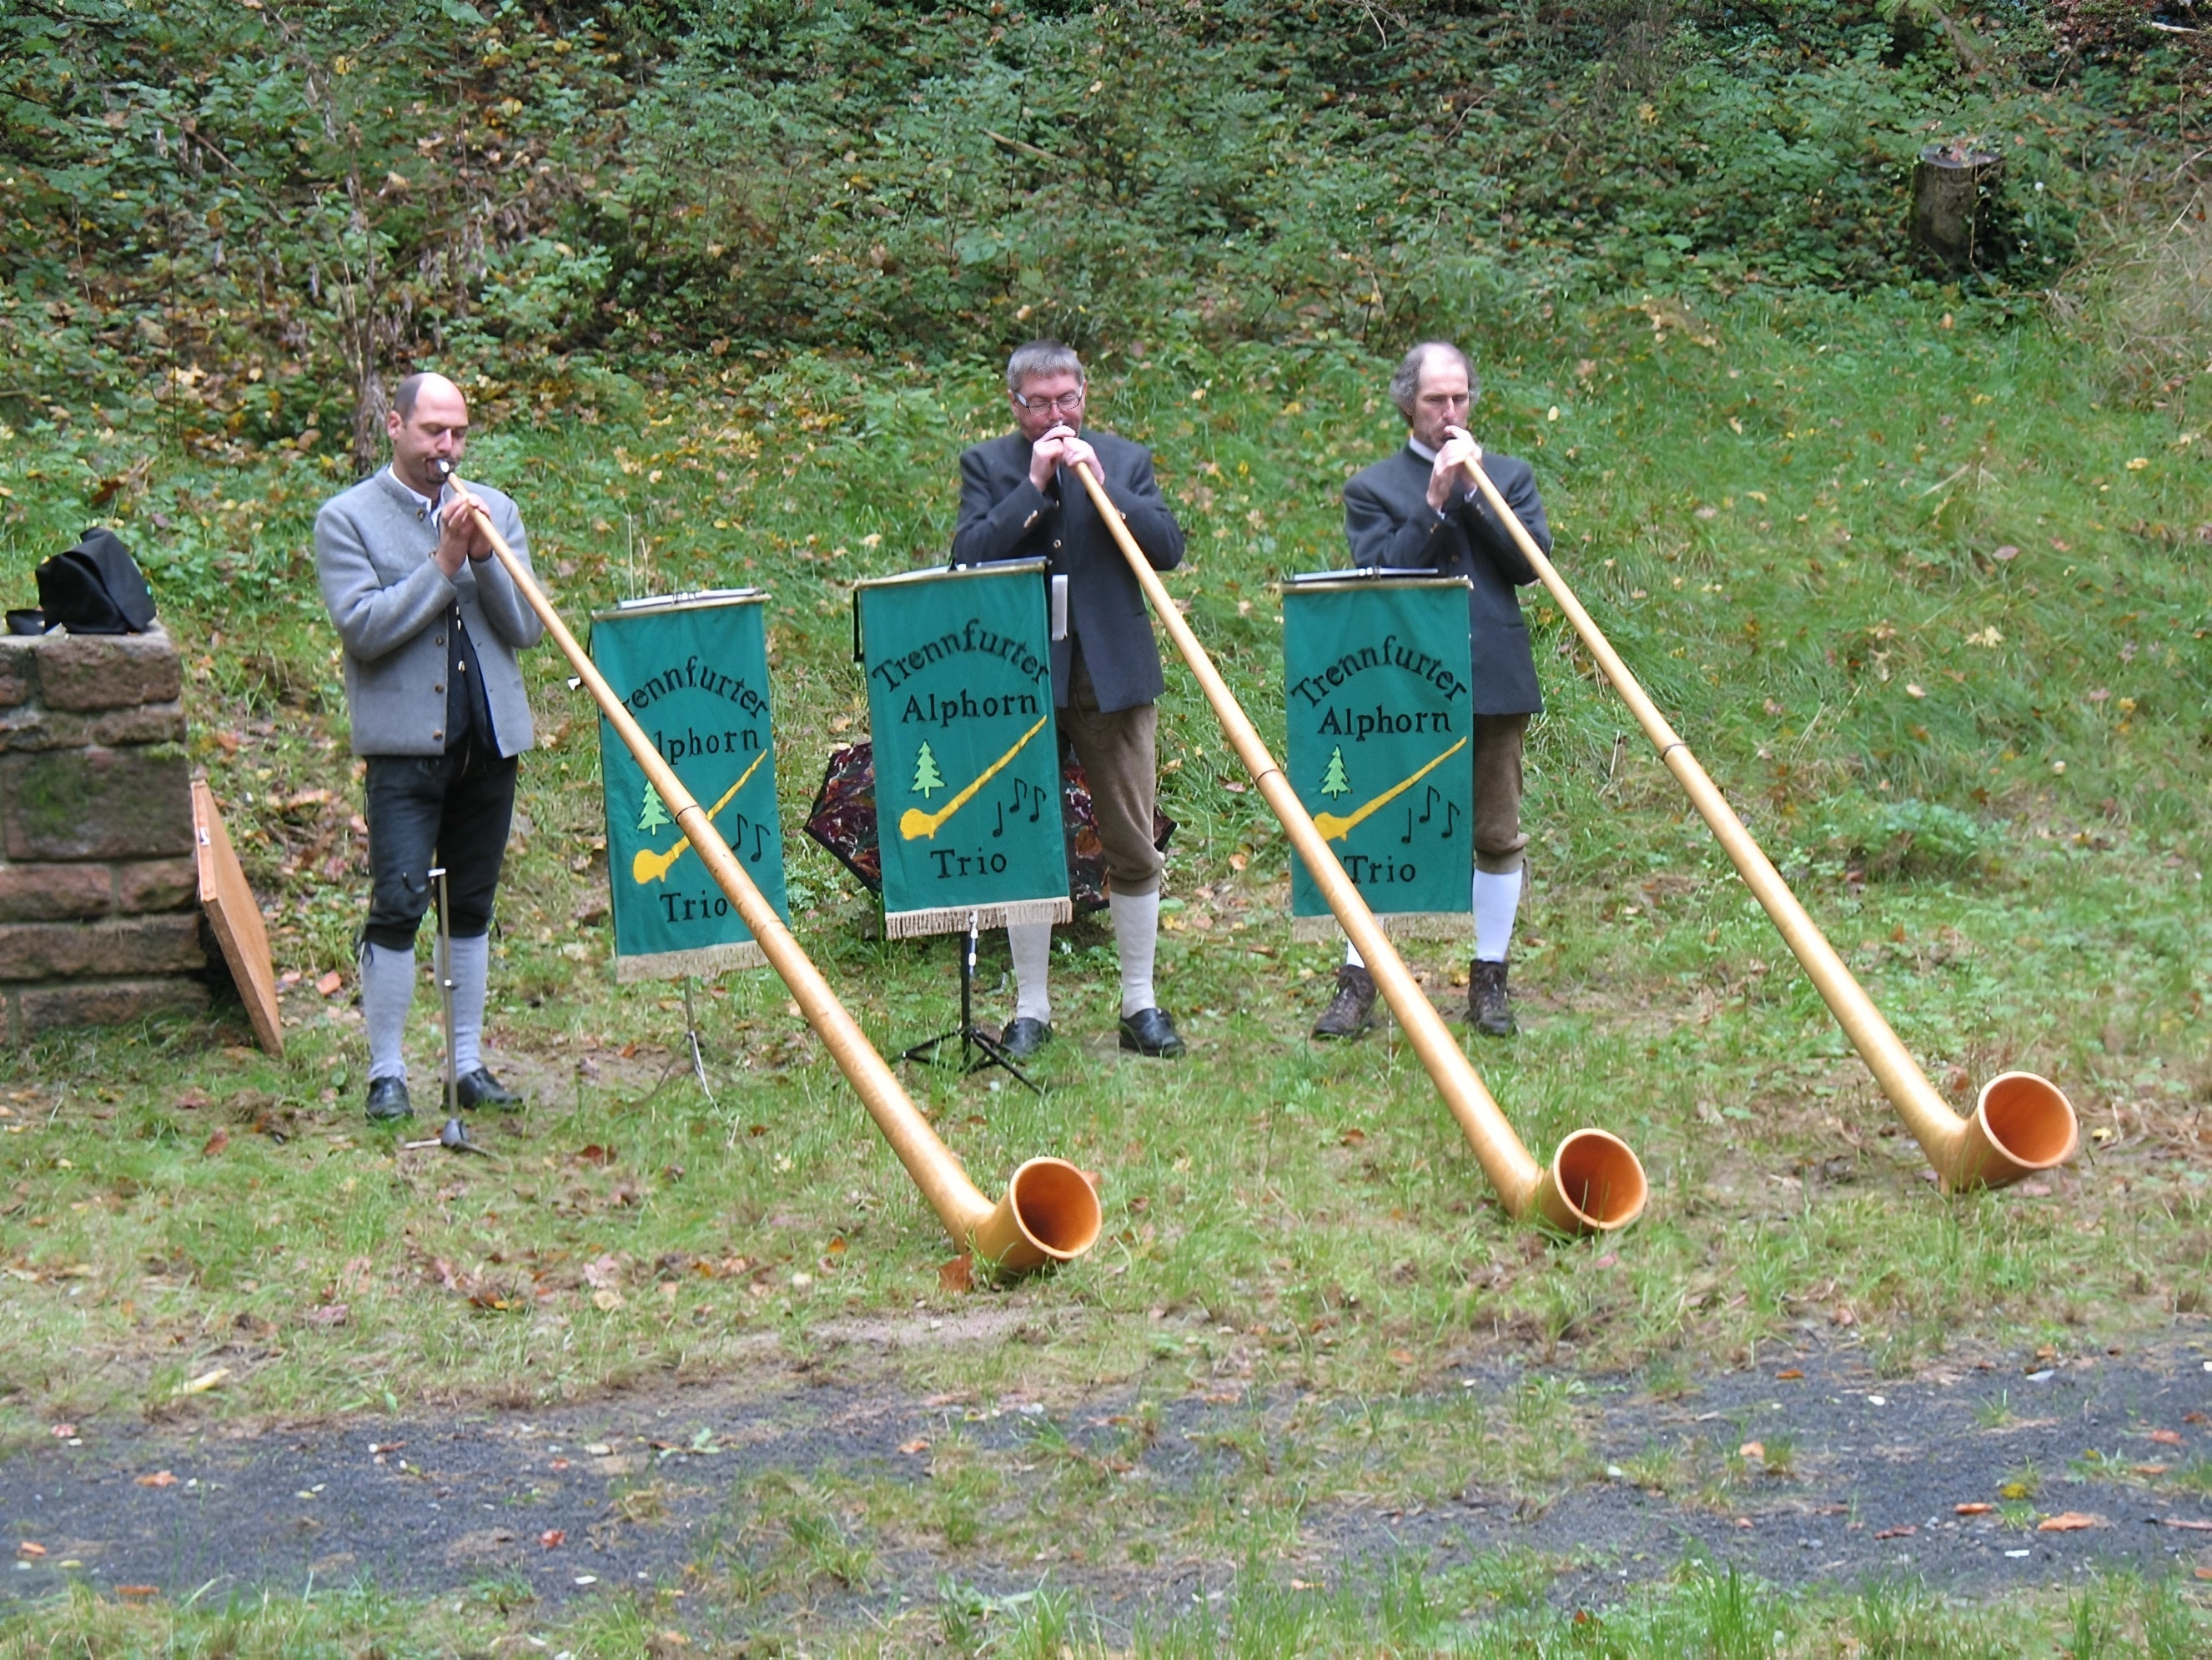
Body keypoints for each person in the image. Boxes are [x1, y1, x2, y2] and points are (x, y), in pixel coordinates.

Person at [950, 340, 1188, 1059]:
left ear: (1086, 394)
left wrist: (1102, 486)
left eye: (1069, 399)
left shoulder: (1123, 457)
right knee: (1028, 839)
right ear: (1015, 405)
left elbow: (1168, 547)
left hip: (1112, 674)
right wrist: (1033, 486)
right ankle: (1031, 1008)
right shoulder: (988, 466)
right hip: (1019, 676)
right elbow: (966, 557)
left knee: (1130, 836)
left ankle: (1139, 1002)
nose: (1058, 414)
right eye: (1042, 403)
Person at [315, 372, 543, 1121]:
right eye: (431, 431)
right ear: (394, 425)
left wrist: (483, 557)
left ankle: (466, 1066)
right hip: (405, 750)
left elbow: (525, 628)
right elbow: (366, 631)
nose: (446, 447)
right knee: (400, 901)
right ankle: (388, 1073)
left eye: (458, 433)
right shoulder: (346, 519)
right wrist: (444, 562)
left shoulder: (496, 509)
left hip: (489, 742)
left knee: (470, 905)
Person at [1317, 341, 1552, 1041]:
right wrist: (1435, 502)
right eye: (1434, 401)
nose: (1449, 412)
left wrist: (1475, 492)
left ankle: (1489, 980)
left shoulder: (1509, 476)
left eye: (1459, 398)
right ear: (1406, 405)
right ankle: (1360, 980)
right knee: (1383, 826)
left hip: (1492, 675)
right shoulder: (1375, 487)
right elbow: (1382, 574)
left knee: (1496, 832)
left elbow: (1528, 564)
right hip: (1402, 684)